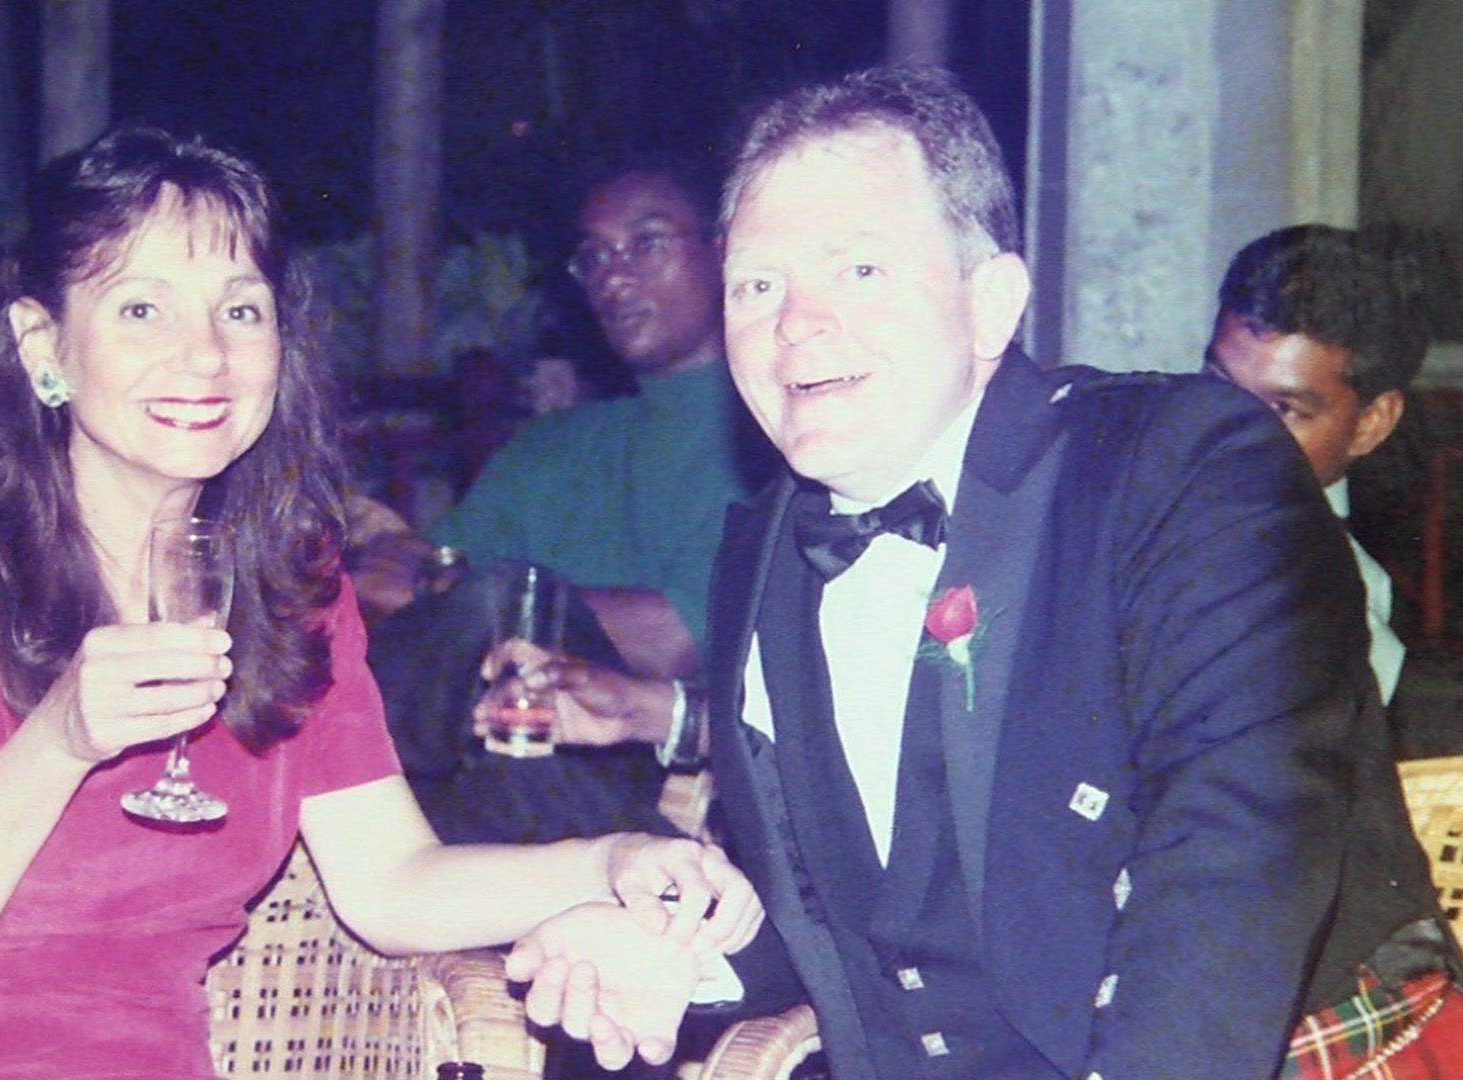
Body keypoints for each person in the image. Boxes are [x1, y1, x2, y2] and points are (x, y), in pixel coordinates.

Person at [514, 67, 1460, 1077]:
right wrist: (684, 963)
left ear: (991, 303)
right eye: (757, 283)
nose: (795, 322)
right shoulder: (765, 548)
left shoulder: (1183, 467)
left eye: (859, 269)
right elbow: (847, 920)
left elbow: (1233, 868)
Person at [0, 125, 761, 1078]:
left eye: (239, 309)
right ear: (45, 346)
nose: (205, 355)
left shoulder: (290, 587)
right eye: (141, 309)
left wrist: (613, 864)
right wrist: (60, 742)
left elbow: (393, 885)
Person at [358, 158, 774, 844]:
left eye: (647, 242)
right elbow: (388, 579)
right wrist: (449, 588)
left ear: (725, 248)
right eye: (595, 255)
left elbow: (678, 641)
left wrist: (467, 592)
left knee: (488, 607)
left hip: (627, 794)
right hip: (464, 772)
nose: (614, 274)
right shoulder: (552, 447)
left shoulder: (770, 437)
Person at [1206, 224, 1431, 704]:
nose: (1230, 431)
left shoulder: (1326, 609)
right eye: (1218, 384)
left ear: (1372, 422)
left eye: (1283, 409)